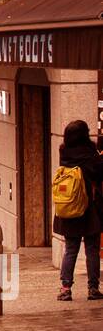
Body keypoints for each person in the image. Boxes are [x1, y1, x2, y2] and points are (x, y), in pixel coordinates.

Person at [53, 118, 103, 302]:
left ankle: (65, 288)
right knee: (91, 249)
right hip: (89, 208)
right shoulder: (90, 154)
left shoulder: (63, 152)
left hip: (69, 205)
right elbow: (99, 173)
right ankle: (93, 288)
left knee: (71, 249)